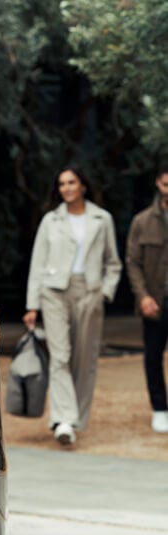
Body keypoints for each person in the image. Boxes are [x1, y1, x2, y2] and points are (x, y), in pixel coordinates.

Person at [23, 165, 122, 446]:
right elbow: (37, 264)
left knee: (84, 358)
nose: (66, 188)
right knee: (61, 355)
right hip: (54, 291)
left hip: (89, 292)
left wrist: (104, 292)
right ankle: (64, 419)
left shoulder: (102, 219)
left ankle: (75, 418)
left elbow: (113, 263)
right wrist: (32, 305)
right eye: (62, 184)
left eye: (71, 182)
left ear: (83, 186)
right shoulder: (50, 221)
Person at [125, 163, 168, 433]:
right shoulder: (142, 221)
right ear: (158, 183)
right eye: (166, 184)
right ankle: (161, 408)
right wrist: (143, 296)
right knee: (153, 356)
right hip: (156, 299)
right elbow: (133, 262)